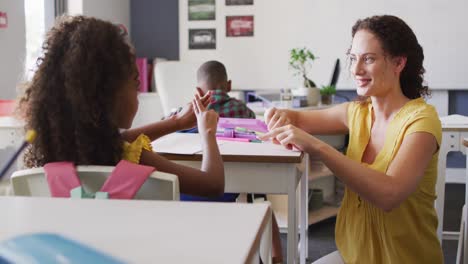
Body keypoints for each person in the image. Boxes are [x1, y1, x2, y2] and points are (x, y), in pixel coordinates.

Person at [260, 15, 443, 263]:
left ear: (398, 62)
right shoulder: (356, 112)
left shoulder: (422, 121)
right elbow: (296, 118)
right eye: (353, 58)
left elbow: (388, 195)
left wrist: (318, 147)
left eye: (368, 59)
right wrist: (280, 115)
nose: (356, 70)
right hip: (353, 254)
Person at [19, 15, 225, 198]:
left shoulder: (52, 155)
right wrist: (207, 132)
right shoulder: (130, 159)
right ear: (109, 98)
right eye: (135, 85)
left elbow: (118, 139)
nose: (137, 94)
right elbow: (213, 184)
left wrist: (177, 122)